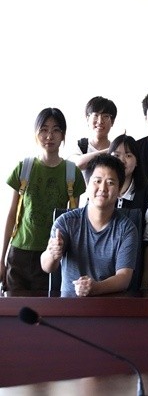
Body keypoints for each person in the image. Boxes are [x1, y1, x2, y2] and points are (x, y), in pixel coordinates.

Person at [2, 108, 86, 292]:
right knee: (15, 308)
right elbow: (11, 215)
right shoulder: (24, 168)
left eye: (56, 130)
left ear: (63, 135)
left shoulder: (72, 173)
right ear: (36, 134)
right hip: (19, 253)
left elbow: (74, 222)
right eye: (44, 130)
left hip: (51, 255)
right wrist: (1, 260)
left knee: (46, 307)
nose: (49, 136)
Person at [40, 154, 137, 296]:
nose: (103, 188)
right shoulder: (66, 222)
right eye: (97, 181)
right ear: (87, 184)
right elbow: (47, 266)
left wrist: (95, 288)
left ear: (119, 189)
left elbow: (124, 278)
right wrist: (52, 253)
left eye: (110, 183)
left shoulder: (127, 229)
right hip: (70, 306)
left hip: (109, 306)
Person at [108, 134, 148, 291]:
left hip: (135, 275)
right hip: (103, 275)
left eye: (128, 155)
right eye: (116, 155)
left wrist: (145, 283)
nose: (122, 160)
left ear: (137, 160)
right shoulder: (100, 192)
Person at [68, 96, 117, 183]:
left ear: (112, 122)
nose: (100, 121)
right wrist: (111, 150)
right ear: (87, 119)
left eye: (105, 116)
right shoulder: (79, 146)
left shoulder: (118, 152)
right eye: (96, 115)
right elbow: (77, 164)